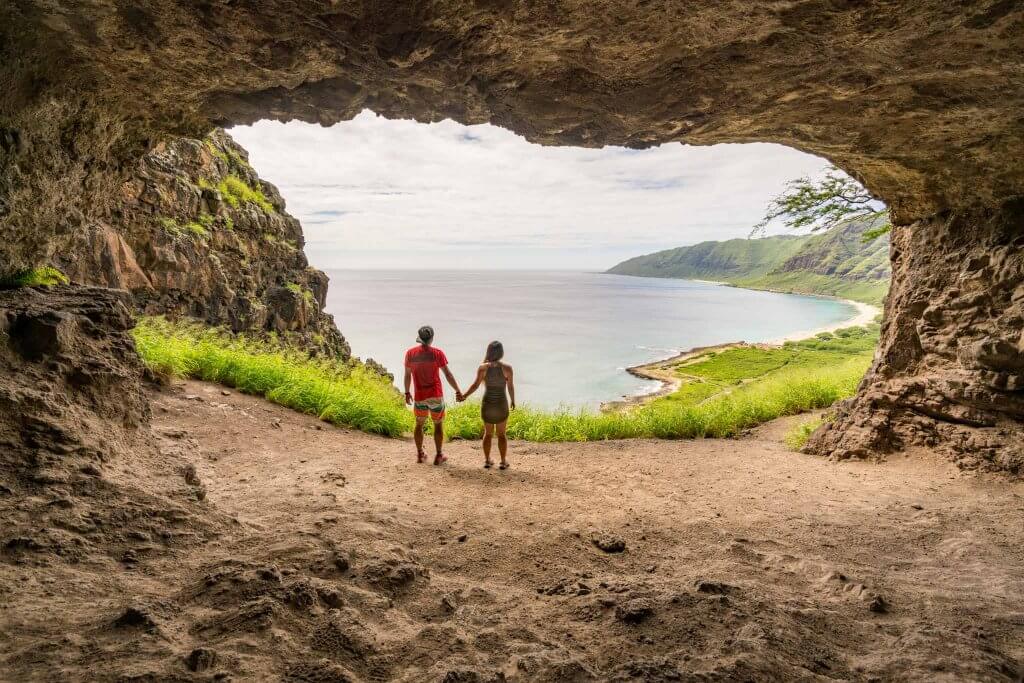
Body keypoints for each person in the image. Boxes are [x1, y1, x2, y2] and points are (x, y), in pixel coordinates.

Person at [404, 325, 463, 465]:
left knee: (419, 424)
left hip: (419, 396)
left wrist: (407, 392)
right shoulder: (437, 353)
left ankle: (420, 454)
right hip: (435, 395)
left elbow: (407, 375)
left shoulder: (410, 354)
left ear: (420, 338)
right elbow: (447, 374)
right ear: (432, 338)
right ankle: (438, 455)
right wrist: (458, 390)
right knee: (438, 425)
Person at [460, 341, 515, 470]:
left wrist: (464, 396)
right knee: (502, 434)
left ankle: (487, 460)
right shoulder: (507, 368)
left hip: (488, 405)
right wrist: (513, 400)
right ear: (501, 353)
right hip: (501, 405)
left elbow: (475, 385)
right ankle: (502, 462)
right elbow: (510, 386)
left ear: (489, 352)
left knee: (488, 433)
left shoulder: (483, 368)